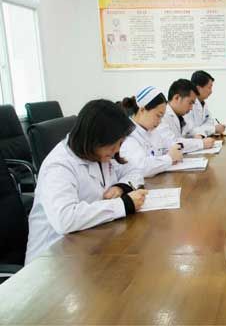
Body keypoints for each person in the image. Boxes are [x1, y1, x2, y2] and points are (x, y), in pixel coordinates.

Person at [25, 99, 147, 264]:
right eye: (115, 144)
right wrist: (123, 205)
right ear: (95, 138)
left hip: (90, 243)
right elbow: (65, 219)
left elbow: (134, 170)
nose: (117, 149)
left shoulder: (100, 153)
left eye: (120, 143)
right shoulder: (59, 165)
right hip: (52, 258)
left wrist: (121, 186)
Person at [120, 86, 183, 178]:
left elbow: (165, 148)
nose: (160, 121)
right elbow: (141, 168)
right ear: (142, 110)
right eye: (158, 115)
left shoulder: (151, 131)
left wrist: (173, 150)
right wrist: (169, 158)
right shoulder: (128, 134)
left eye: (162, 117)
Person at [156, 79, 214, 152]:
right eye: (190, 103)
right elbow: (172, 143)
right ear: (177, 98)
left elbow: (191, 130)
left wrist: (199, 135)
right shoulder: (162, 116)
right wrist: (201, 143)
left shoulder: (181, 115)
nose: (191, 108)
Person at [185, 70, 226, 137]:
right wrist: (213, 129)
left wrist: (207, 128)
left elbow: (210, 123)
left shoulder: (203, 103)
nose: (211, 91)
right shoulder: (187, 105)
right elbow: (190, 131)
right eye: (209, 87)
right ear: (198, 88)